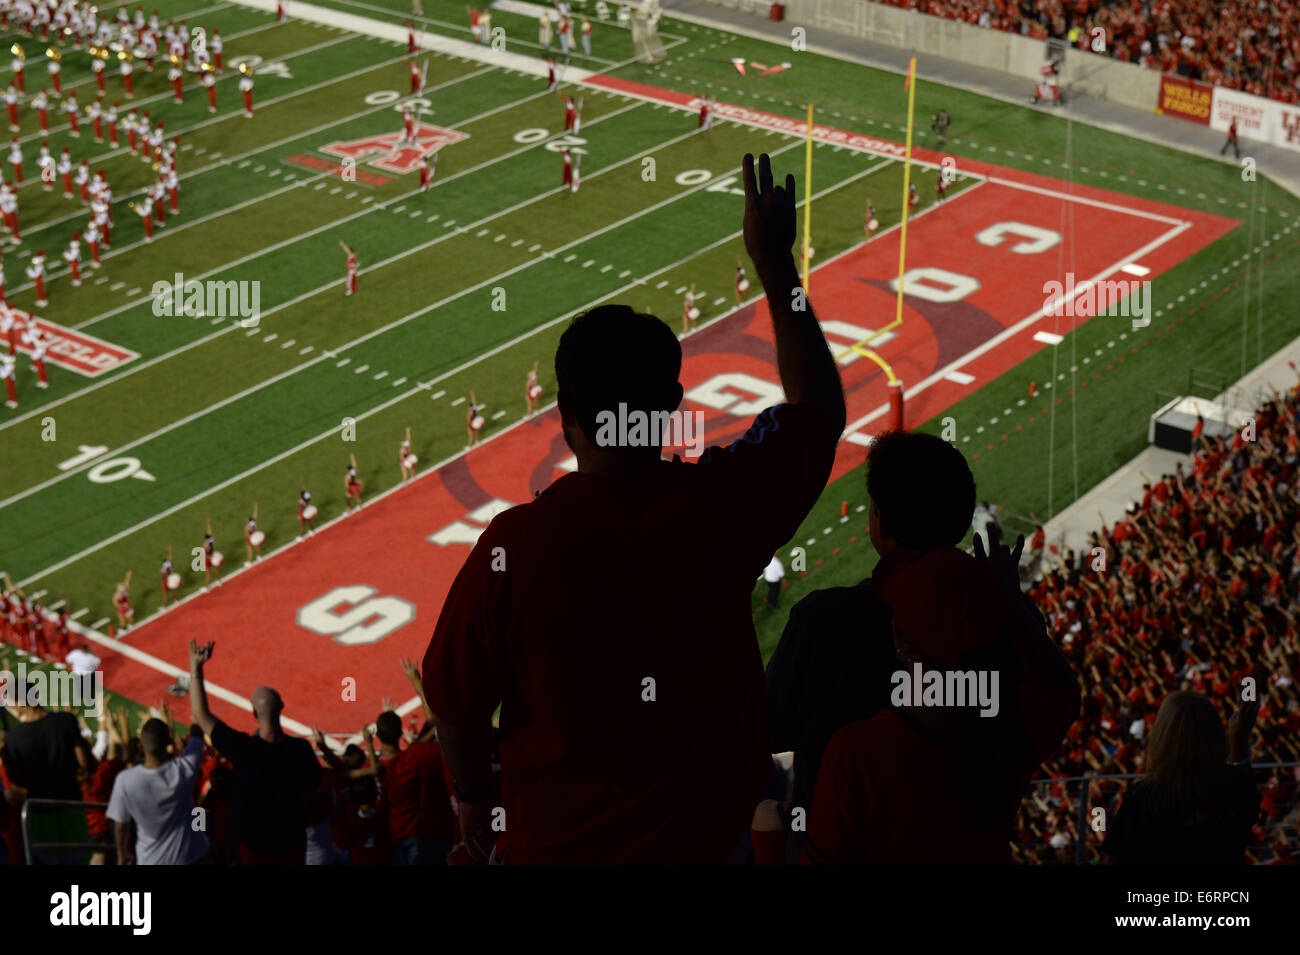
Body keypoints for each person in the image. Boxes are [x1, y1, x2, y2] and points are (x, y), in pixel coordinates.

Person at [422, 152, 845, 864]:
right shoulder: (722, 506)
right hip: (708, 844)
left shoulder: (514, 546)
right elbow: (818, 412)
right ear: (674, 407)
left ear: (564, 414)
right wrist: (776, 266)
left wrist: (472, 794)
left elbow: (453, 702)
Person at [764, 432, 1080, 864]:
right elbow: (1062, 695)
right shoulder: (1003, 641)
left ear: (903, 641)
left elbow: (769, 729)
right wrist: (1011, 608)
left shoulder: (857, 746)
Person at [187, 640, 322, 864]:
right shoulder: (301, 750)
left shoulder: (244, 749)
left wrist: (196, 668)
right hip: (292, 843)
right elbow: (315, 791)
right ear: (282, 707)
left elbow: (201, 715)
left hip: (254, 846)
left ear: (253, 712)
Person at [1103, 691, 1261, 865]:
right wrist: (1238, 739)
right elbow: (1244, 790)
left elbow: (1115, 859)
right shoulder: (1233, 789)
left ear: (1162, 737)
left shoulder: (1141, 797)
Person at [1, 677, 96, 863]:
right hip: (72, 806)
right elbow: (84, 763)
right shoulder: (65, 720)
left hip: (39, 814)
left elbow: (18, 792)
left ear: (19, 702)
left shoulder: (13, 739)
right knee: (80, 857)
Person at [107, 719, 210, 864]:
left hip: (151, 859)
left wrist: (121, 854)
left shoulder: (125, 780)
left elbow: (121, 826)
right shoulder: (183, 769)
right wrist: (195, 717)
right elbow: (197, 733)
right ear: (168, 742)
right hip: (191, 856)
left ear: (140, 746)